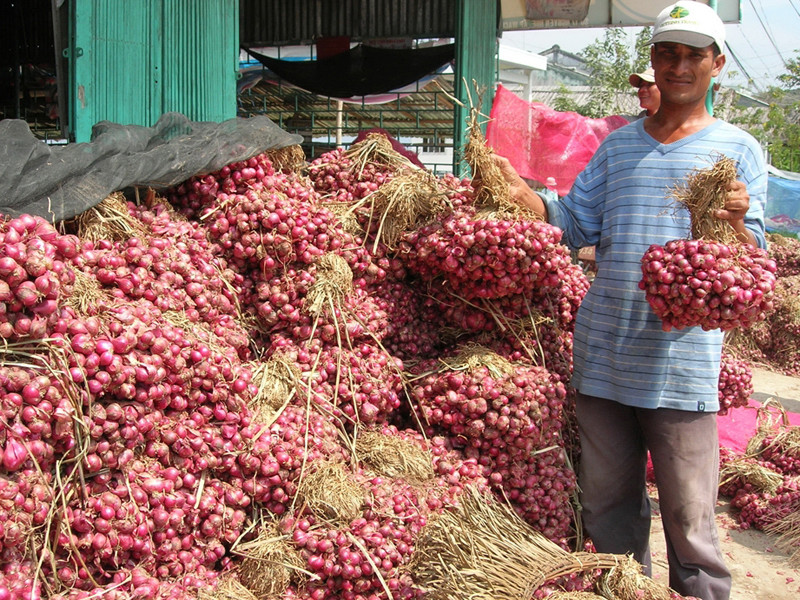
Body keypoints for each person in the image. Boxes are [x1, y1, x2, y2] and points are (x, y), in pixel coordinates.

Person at [492, 2, 767, 599]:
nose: (679, 64)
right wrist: (525, 197)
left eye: (694, 54)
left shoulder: (737, 149)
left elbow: (754, 259)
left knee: (692, 526)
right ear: (654, 62)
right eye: (668, 52)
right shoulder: (617, 150)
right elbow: (573, 225)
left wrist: (740, 224)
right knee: (609, 517)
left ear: (717, 66)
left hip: (682, 367)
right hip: (605, 360)